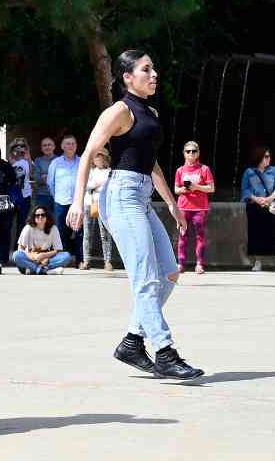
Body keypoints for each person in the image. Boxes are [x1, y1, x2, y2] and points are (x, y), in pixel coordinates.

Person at [67, 49, 204, 380]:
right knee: (145, 278)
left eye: (154, 68)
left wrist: (171, 203)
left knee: (169, 273)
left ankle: (132, 341)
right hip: (122, 195)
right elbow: (87, 154)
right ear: (128, 77)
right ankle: (165, 351)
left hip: (142, 196)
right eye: (146, 70)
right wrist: (77, 201)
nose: (154, 74)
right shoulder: (119, 110)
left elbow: (152, 162)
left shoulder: (151, 111)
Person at [241, 147, 275, 273]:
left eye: (269, 156)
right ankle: (258, 262)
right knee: (256, 233)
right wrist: (256, 199)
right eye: (266, 156)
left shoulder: (273, 170)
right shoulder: (249, 172)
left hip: (270, 206)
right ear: (259, 157)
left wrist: (270, 198)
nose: (269, 159)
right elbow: (245, 190)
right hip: (254, 206)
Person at [174, 141, 215, 274]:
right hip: (184, 207)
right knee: (182, 235)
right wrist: (184, 189)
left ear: (198, 153)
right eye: (188, 151)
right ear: (184, 153)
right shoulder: (180, 170)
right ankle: (180, 263)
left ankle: (199, 264)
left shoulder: (204, 169)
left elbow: (211, 188)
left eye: (194, 151)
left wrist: (196, 187)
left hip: (200, 208)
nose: (191, 153)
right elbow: (175, 189)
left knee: (200, 236)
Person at [48, 135, 84, 267]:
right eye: (67, 144)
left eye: (73, 143)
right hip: (61, 202)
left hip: (78, 202)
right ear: (62, 146)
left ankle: (80, 260)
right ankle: (63, 260)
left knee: (80, 232)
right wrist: (57, 197)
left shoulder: (82, 162)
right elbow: (50, 183)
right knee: (61, 232)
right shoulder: (56, 163)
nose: (71, 146)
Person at [12, 205, 73, 275]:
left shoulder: (53, 228)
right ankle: (40, 269)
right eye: (37, 215)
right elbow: (20, 248)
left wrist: (44, 256)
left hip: (46, 259)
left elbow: (57, 250)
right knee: (16, 255)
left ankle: (35, 269)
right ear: (33, 217)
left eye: (43, 215)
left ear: (47, 217)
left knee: (66, 256)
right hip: (30, 257)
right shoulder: (28, 228)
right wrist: (33, 257)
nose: (40, 217)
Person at [83, 148, 114, 271]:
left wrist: (96, 184)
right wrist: (98, 184)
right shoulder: (90, 171)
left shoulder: (110, 171)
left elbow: (110, 186)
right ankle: (86, 260)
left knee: (105, 233)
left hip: (104, 204)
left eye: (101, 157)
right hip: (89, 203)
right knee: (87, 233)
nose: (98, 159)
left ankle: (107, 261)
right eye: (96, 157)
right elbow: (86, 185)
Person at [9, 137, 34, 239]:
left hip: (25, 196)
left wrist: (28, 158)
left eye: (22, 146)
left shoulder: (28, 161)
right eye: (17, 145)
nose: (19, 148)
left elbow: (32, 175)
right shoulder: (10, 160)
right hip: (13, 196)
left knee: (21, 223)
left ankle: (18, 248)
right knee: (8, 223)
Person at [33, 137, 58, 210]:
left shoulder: (60, 160)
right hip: (42, 196)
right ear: (41, 148)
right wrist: (52, 176)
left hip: (57, 196)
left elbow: (61, 179)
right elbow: (37, 179)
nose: (47, 147)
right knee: (42, 220)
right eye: (44, 145)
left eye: (49, 145)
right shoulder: (38, 161)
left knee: (56, 220)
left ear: (54, 147)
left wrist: (45, 176)